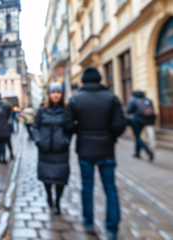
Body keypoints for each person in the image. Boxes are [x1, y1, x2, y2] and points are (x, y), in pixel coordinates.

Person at [64, 67, 127, 240]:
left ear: (83, 81)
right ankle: (112, 228)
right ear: (100, 80)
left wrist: (81, 130)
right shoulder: (111, 98)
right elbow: (120, 124)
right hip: (106, 148)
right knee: (110, 188)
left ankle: (88, 221)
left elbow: (68, 124)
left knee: (87, 186)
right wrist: (110, 135)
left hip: (85, 148)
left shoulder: (76, 99)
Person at [33, 83, 72, 215]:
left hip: (60, 151)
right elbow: (35, 127)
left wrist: (65, 141)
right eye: (53, 92)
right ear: (49, 94)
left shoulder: (67, 110)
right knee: (46, 178)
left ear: (62, 95)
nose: (56, 95)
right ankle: (49, 195)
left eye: (58, 92)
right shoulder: (42, 110)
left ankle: (58, 202)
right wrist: (38, 141)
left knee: (60, 179)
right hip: (45, 150)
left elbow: (70, 129)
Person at [126, 91, 155, 161]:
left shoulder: (134, 100)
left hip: (136, 121)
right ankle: (137, 154)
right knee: (138, 136)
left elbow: (128, 111)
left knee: (137, 137)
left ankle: (147, 150)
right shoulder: (148, 100)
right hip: (146, 121)